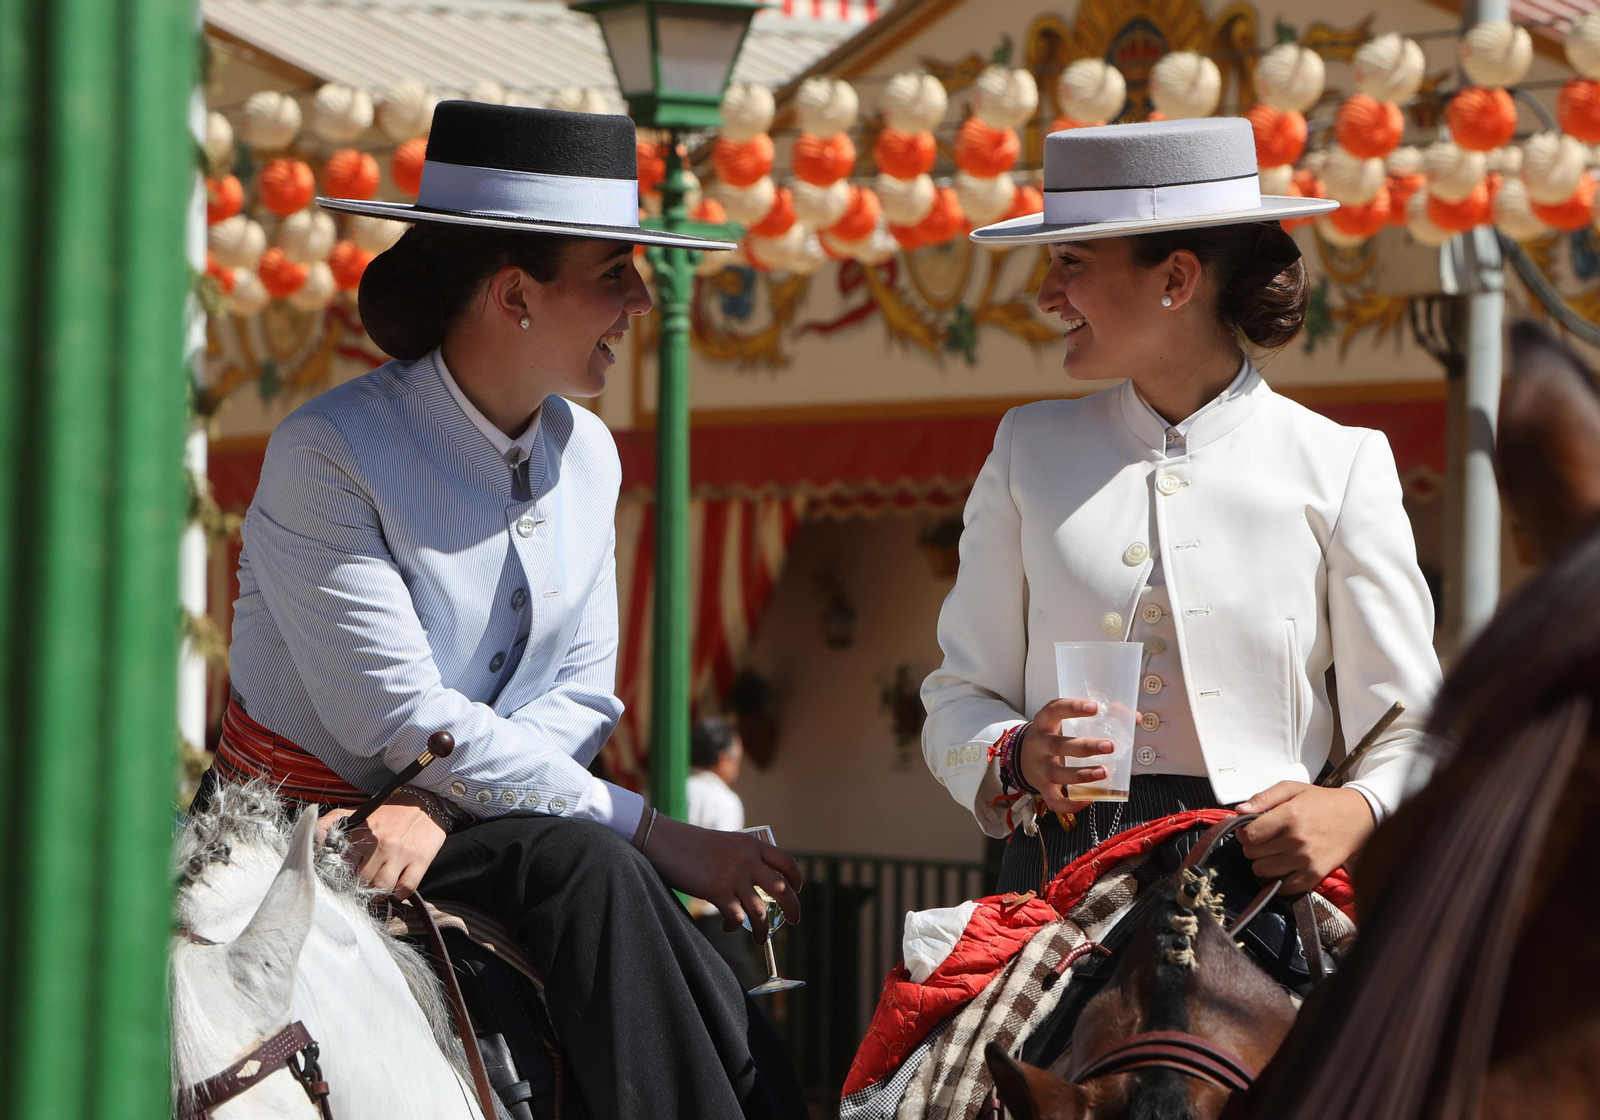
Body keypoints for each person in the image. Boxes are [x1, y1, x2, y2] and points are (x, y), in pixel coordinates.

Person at [206, 101, 805, 1120]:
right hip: (307, 827)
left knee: (608, 881)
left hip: (457, 818)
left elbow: (580, 693)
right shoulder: (331, 453)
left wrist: (440, 802)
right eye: (615, 274)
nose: (638, 305)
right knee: (595, 867)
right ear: (515, 294)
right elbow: (396, 718)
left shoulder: (591, 454)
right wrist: (659, 830)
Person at [923, 118, 1444, 897]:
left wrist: (1359, 806)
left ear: (1175, 280)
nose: (1045, 294)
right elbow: (957, 697)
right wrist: (1019, 751)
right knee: (946, 1028)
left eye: (1069, 261)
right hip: (1058, 884)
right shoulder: (1026, 448)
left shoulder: (1340, 463)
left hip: (1265, 884)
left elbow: (1415, 727)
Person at [686, 717, 765, 991]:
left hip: (666, 911)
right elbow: (726, 864)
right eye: (736, 760)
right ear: (723, 759)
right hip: (712, 920)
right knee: (745, 999)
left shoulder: (659, 789)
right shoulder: (724, 800)